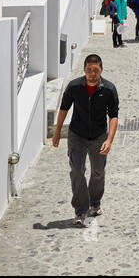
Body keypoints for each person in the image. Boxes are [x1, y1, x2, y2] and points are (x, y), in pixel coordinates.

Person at [52, 53, 119, 225]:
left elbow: (113, 116)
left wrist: (109, 140)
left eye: (95, 70)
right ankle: (81, 210)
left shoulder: (109, 89)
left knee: (98, 172)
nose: (92, 73)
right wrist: (57, 131)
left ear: (101, 70)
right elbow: (64, 108)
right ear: (84, 70)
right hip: (77, 135)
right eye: (89, 70)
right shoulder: (74, 87)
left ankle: (94, 203)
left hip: (99, 136)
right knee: (77, 170)